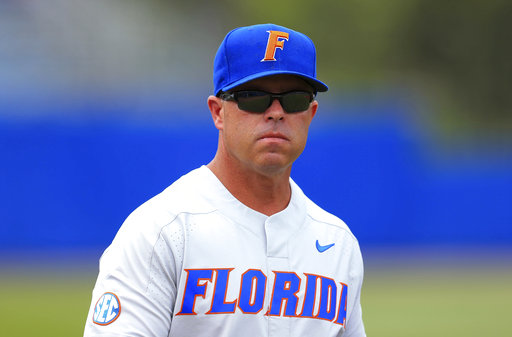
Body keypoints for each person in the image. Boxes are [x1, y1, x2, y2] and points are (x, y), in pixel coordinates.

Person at [84, 23, 366, 337]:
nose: (276, 112)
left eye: (294, 99)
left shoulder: (337, 242)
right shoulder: (163, 231)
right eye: (253, 97)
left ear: (310, 114)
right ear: (218, 112)